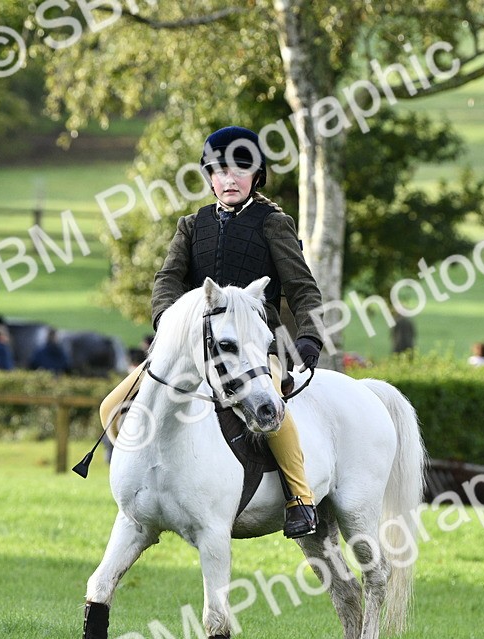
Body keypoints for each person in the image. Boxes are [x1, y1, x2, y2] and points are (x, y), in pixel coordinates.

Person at [99, 125, 324, 538]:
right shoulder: (192, 225)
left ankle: (300, 499)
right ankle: (143, 485)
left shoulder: (274, 224)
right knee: (111, 405)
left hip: (255, 348)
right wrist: (168, 324)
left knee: (275, 415)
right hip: (193, 347)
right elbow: (168, 278)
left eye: (240, 170)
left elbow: (302, 289)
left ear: (257, 176)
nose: (229, 179)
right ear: (210, 177)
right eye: (220, 172)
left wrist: (309, 335)